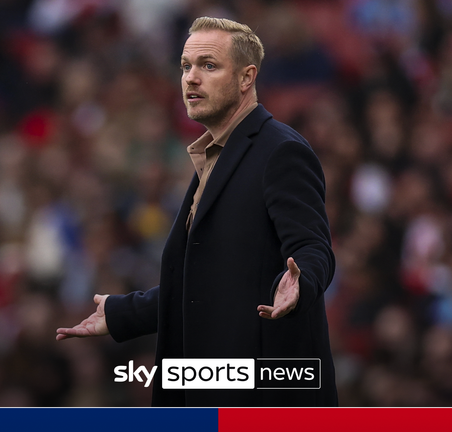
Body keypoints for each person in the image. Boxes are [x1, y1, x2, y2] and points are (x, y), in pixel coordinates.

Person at [56, 16, 337, 407]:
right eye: (186, 66)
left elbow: (313, 246)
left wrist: (301, 283)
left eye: (208, 65)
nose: (190, 78)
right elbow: (208, 282)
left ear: (246, 78)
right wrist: (124, 313)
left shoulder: (280, 151)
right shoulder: (214, 157)